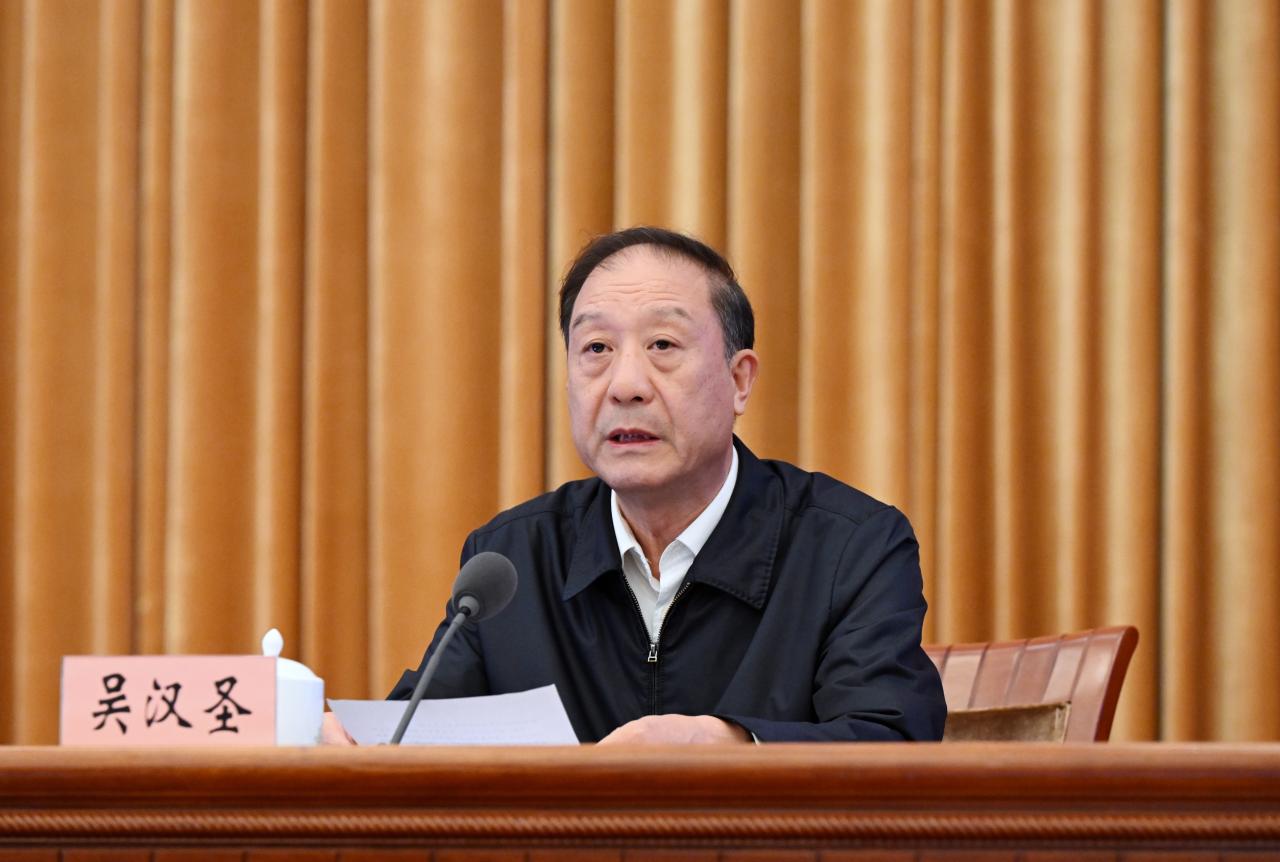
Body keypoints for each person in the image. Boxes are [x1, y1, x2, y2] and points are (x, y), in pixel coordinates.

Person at [326, 226, 945, 744]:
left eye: (662, 345)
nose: (625, 385)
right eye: (596, 348)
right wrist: (347, 749)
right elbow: (416, 740)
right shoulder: (512, 559)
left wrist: (733, 746)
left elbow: (894, 743)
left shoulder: (850, 548)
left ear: (739, 380)